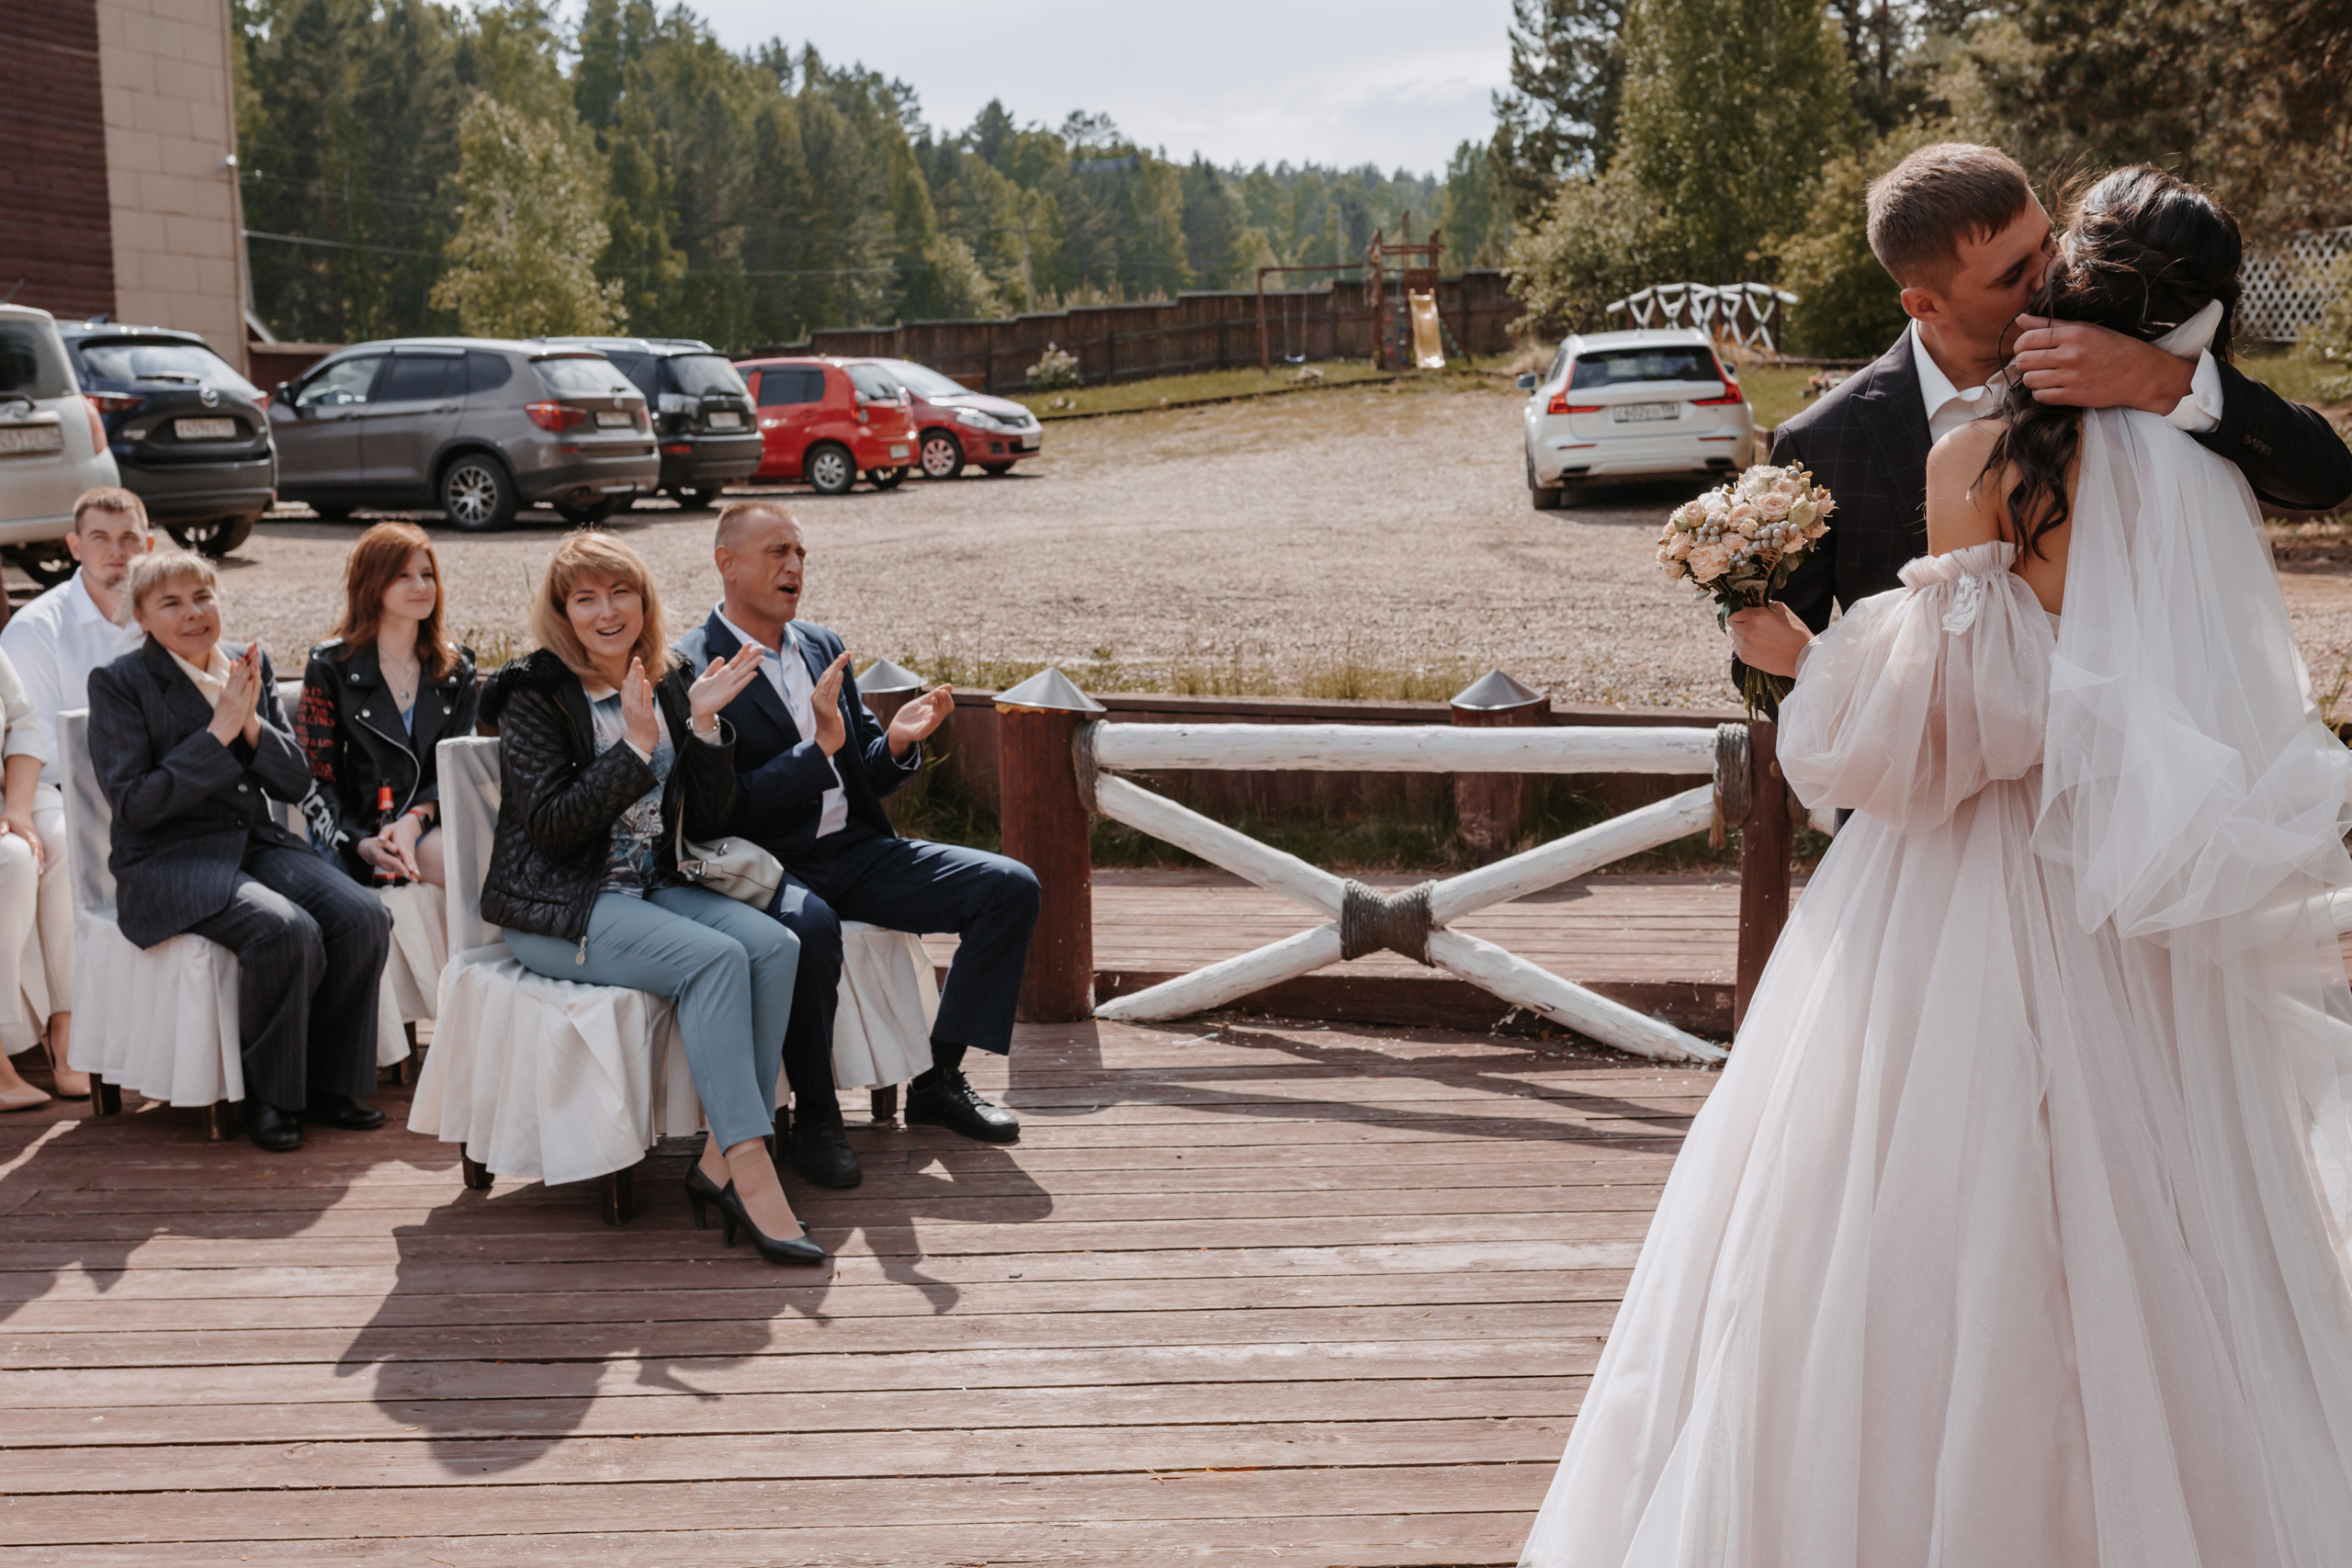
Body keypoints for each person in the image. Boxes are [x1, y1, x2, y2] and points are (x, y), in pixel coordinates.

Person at [1521, 170, 2352, 1564]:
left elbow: (1966, 726)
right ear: (1926, 298)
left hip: (1978, 876)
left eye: (2046, 258)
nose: (2036, 286)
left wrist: (1814, 665)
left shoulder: (1998, 456)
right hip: (2121, 885)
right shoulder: (2175, 472)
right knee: (2130, 1202)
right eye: (2009, 273)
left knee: (1941, 1207)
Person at [1729, 142, 2352, 687]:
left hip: (2141, 774)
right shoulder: (1822, 442)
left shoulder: (2131, 343)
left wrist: (2161, 380)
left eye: (2050, 241)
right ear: (1925, 305)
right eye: (2013, 276)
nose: (2054, 273)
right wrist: (1820, 667)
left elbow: (2325, 477)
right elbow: (1766, 666)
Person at [675, 501, 1040, 1190]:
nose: (795, 566)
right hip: (765, 867)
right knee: (809, 930)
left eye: (800, 553)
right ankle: (817, 1115)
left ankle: (938, 1077)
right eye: (778, 551)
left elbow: (858, 766)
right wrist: (816, 751)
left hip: (855, 851)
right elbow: (721, 810)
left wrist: (896, 742)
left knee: (1009, 887)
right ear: (727, 562)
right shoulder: (692, 666)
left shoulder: (820, 643)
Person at [478, 531, 820, 1265]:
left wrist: (703, 728)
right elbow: (554, 830)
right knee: (715, 960)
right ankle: (752, 1169)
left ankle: (719, 1161)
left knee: (774, 945)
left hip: (651, 886)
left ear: (643, 600)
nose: (607, 612)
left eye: (620, 592)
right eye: (586, 598)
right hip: (560, 904)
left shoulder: (669, 678)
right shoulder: (535, 695)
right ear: (562, 612)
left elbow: (712, 817)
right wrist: (633, 750)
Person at [85, 552, 391, 1154]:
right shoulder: (120, 682)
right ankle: (270, 1095)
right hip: (168, 859)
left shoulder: (248, 663)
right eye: (171, 603)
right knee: (285, 929)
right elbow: (136, 805)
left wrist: (250, 726)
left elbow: (295, 780)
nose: (193, 612)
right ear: (142, 617)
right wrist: (218, 733)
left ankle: (331, 1083)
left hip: (253, 841)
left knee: (363, 916)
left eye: (202, 596)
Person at [0, 486, 158, 1100]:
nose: (117, 551)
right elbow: (36, 741)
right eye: (100, 538)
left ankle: (170, 1029)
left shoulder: (164, 612)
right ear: (73, 546)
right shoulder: (36, 627)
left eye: (128, 538)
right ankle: (69, 1029)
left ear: (149, 543)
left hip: (150, 787)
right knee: (66, 846)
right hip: (59, 787)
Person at [295, 522, 478, 887]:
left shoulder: (456, 668)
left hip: (430, 823)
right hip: (355, 834)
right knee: (461, 869)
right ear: (371, 584)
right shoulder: (329, 668)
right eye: (402, 575)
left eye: (427, 574)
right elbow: (314, 779)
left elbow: (458, 766)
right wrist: (360, 843)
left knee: (478, 865)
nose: (421, 586)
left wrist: (414, 821)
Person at [0, 650, 56, 1111]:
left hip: (8, 792)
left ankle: (68, 1029)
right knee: (12, 860)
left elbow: (23, 722)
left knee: (43, 848)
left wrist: (17, 808)